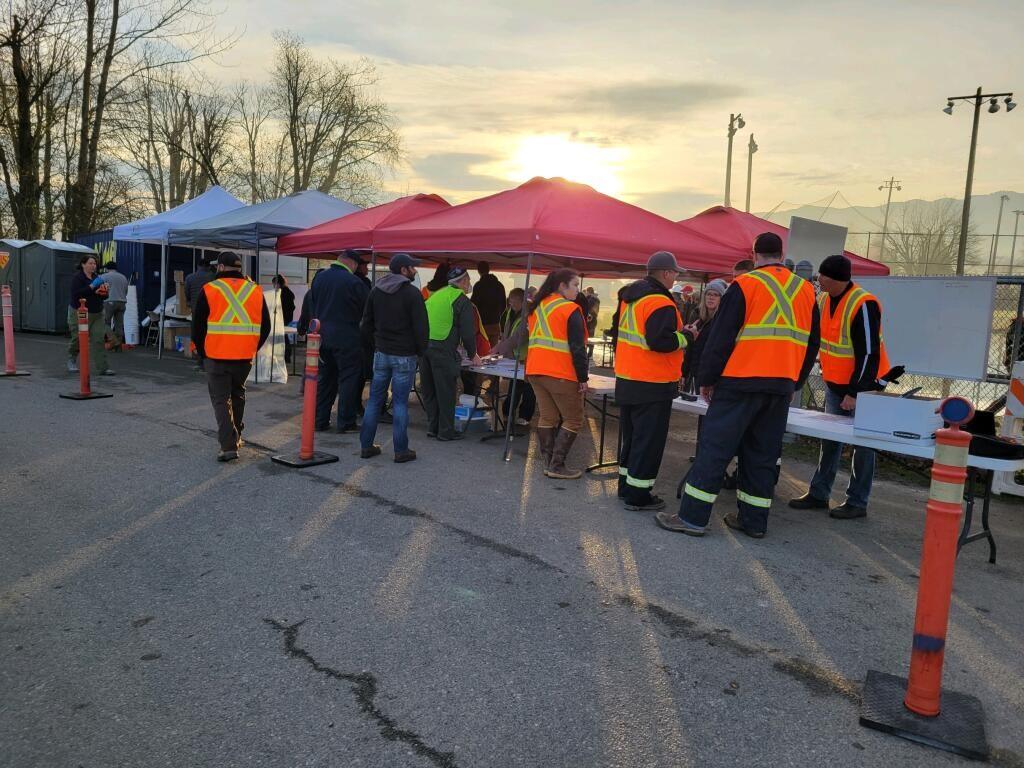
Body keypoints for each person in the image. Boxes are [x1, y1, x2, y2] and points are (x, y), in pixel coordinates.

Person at [657, 232, 820, 539]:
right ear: (781, 253)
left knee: (715, 450)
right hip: (781, 385)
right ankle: (754, 521)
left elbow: (721, 336)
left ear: (755, 254)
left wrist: (707, 378)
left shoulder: (744, 285)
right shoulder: (806, 290)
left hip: (740, 381)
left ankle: (692, 518)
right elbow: (812, 343)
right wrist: (795, 380)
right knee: (762, 455)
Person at [789, 254, 891, 520]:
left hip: (864, 389)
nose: (818, 279)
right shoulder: (824, 299)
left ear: (835, 279)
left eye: (822, 275)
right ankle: (819, 493)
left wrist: (855, 392)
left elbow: (869, 353)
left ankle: (857, 501)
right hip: (836, 385)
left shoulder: (863, 304)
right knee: (830, 441)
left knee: (863, 445)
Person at [615, 251, 690, 511]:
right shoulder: (661, 302)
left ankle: (626, 488)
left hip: (628, 378)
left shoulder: (630, 299)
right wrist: (686, 337)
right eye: (675, 272)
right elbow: (660, 341)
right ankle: (639, 495)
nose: (676, 277)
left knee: (633, 439)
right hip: (653, 382)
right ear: (666, 273)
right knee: (648, 443)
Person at [191, 252, 271, 461]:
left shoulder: (210, 289)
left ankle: (228, 445)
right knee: (238, 394)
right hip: (244, 356)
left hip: (216, 355)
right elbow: (266, 326)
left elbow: (198, 326)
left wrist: (201, 353)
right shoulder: (255, 290)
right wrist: (252, 346)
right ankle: (237, 436)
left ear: (221, 267)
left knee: (221, 400)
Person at [359, 253, 429, 463]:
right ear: (403, 270)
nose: (415, 271)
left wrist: (375, 345)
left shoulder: (376, 291)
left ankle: (366, 446)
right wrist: (420, 351)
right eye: (412, 268)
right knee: (399, 403)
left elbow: (365, 324)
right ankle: (400, 450)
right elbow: (421, 328)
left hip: (381, 353)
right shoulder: (412, 294)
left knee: (374, 401)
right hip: (404, 356)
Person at [523, 269, 590, 479]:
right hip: (560, 372)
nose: (578, 290)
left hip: (535, 370)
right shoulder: (569, 309)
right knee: (573, 419)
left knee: (547, 417)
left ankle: (549, 463)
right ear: (562, 285)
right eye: (575, 285)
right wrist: (583, 378)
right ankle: (557, 465)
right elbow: (577, 348)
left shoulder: (537, 307)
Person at [309, 250, 370, 433]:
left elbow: (313, 304)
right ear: (352, 263)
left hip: (322, 338)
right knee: (348, 380)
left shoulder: (319, 278)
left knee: (326, 380)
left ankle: (320, 420)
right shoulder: (354, 282)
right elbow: (367, 310)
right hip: (347, 338)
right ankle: (346, 422)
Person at [422, 267, 480, 441]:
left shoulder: (437, 295)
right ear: (462, 282)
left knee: (430, 390)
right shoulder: (461, 300)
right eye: (468, 281)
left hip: (424, 347)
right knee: (446, 391)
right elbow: (468, 332)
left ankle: (432, 427)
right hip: (443, 348)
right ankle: (446, 431)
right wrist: (473, 354)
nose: (469, 284)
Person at [67, 254, 113, 376]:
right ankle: (71, 359)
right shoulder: (77, 278)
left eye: (94, 264)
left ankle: (103, 368)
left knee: (98, 339)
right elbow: (77, 294)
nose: (93, 266)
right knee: (77, 338)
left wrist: (103, 291)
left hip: (97, 313)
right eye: (90, 263)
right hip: (79, 312)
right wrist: (93, 286)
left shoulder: (97, 277)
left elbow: (104, 296)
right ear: (83, 264)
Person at [496, 288, 536, 426]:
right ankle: (507, 412)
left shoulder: (530, 314)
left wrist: (499, 348)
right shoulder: (511, 312)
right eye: (510, 302)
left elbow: (519, 337)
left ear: (521, 300)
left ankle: (524, 416)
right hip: (513, 357)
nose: (510, 305)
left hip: (527, 357)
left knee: (528, 388)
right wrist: (503, 347)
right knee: (514, 386)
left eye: (513, 303)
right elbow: (507, 332)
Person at [680, 278, 727, 384]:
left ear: (721, 298)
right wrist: (683, 372)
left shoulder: (722, 321)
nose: (711, 297)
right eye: (708, 294)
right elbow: (690, 349)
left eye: (716, 295)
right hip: (692, 374)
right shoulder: (697, 317)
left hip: (709, 377)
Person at [471, 261, 507, 345]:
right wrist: (496, 315)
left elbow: (473, 305)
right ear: (489, 269)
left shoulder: (478, 286)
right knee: (493, 353)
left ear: (478, 271)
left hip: (481, 325)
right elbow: (504, 305)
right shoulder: (499, 285)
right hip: (495, 324)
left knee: (483, 352)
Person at [99, 262, 129, 351]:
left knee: (104, 322)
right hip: (122, 302)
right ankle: (118, 347)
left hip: (109, 302)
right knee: (119, 325)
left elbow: (99, 289)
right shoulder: (123, 277)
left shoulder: (104, 276)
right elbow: (126, 291)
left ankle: (114, 341)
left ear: (107, 268)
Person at [273, 274, 296, 364]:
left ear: (278, 284)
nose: (274, 286)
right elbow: (293, 307)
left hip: (281, 318)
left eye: (274, 284)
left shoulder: (281, 293)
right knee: (284, 337)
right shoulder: (288, 292)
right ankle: (287, 356)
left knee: (282, 338)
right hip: (287, 318)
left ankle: (284, 356)